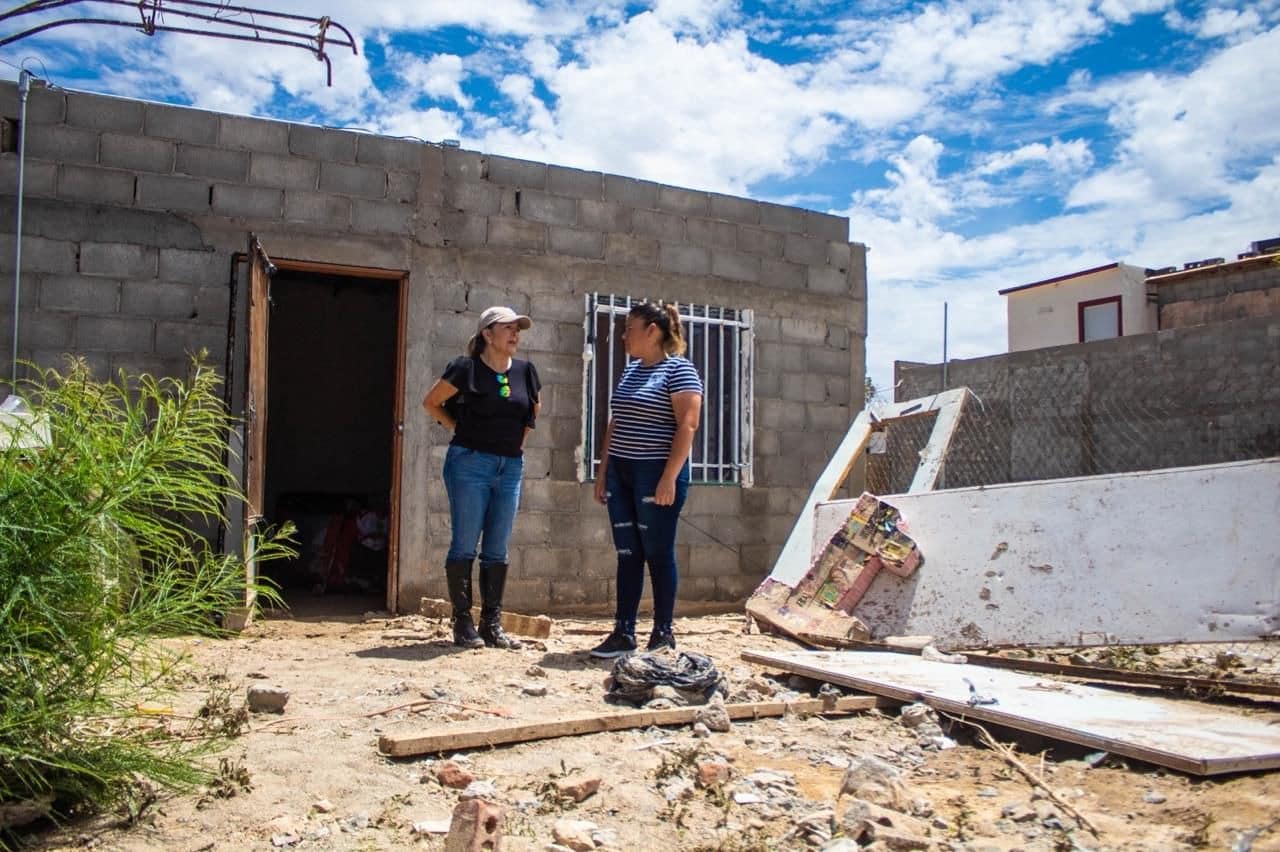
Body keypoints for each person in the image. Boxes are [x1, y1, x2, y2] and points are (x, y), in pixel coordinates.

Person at [589, 301, 703, 658]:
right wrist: (603, 471)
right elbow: (616, 422)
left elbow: (688, 425)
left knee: (657, 552)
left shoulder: (680, 370)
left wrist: (669, 477)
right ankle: (623, 633)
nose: (624, 336)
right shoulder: (631, 371)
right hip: (621, 474)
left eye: (629, 329)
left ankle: (663, 634)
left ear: (652, 331)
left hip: (655, 475)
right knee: (628, 553)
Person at [422, 306, 540, 649]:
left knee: (498, 547)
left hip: (510, 467)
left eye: (518, 329)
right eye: (508, 328)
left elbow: (532, 413)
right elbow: (431, 402)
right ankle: (463, 624)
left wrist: (516, 447)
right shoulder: (466, 368)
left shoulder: (526, 371)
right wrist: (459, 429)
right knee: (465, 543)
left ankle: (491, 624)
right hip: (470, 464)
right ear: (487, 334)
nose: (515, 334)